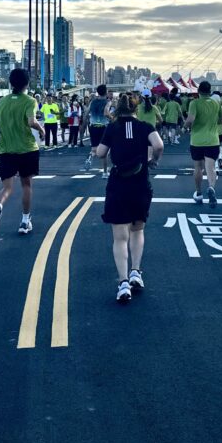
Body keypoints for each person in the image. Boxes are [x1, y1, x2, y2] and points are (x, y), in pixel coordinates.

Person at [95, 93, 164, 303]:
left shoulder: (112, 128)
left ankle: (123, 282)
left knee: (119, 237)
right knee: (138, 229)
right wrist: (153, 159)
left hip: (118, 185)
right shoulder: (144, 126)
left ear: (118, 109)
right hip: (141, 184)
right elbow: (159, 144)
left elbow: (100, 153)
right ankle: (136, 271)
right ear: (136, 109)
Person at [0, 69, 44, 237]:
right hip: (26, 149)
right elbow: (31, 121)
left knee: (6, 188)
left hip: (5, 150)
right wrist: (41, 130)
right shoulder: (30, 101)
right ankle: (25, 221)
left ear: (11, 83)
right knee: (26, 185)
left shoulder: (3, 102)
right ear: (27, 84)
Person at [185, 81, 222, 209]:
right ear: (210, 91)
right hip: (213, 140)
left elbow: (190, 120)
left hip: (197, 140)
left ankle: (198, 193)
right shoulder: (216, 104)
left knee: (198, 167)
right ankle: (211, 187)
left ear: (198, 91)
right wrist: (214, 122)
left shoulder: (195, 103)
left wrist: (185, 126)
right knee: (211, 167)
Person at [82, 85, 113, 177]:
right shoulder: (108, 102)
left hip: (93, 127)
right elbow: (106, 113)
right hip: (103, 127)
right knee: (105, 150)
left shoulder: (92, 102)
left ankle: (90, 157)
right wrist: (112, 119)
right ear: (106, 92)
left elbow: (86, 113)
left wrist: (85, 123)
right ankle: (104, 172)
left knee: (94, 149)